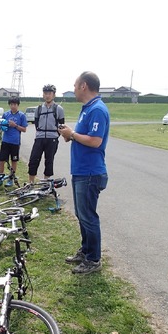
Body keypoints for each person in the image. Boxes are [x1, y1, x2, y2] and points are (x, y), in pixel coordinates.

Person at [59, 72, 110, 275]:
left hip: (90, 172)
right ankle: (86, 250)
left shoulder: (97, 109)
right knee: (81, 214)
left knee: (88, 216)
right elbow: (84, 137)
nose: (73, 89)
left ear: (84, 86)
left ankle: (93, 259)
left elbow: (95, 141)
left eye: (75, 85)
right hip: (81, 171)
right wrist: (70, 135)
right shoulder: (87, 109)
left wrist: (71, 134)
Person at [27, 84, 65, 183]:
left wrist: (55, 135)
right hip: (39, 137)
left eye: (50, 93)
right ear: (43, 95)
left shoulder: (58, 109)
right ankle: (31, 183)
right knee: (33, 160)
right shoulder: (38, 109)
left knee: (49, 161)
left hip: (52, 138)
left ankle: (46, 183)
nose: (47, 95)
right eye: (45, 93)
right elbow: (36, 123)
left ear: (54, 95)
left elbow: (61, 125)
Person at [0, 97, 28, 187]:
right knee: (1, 160)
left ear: (18, 105)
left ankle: (11, 179)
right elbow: (1, 124)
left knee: (14, 161)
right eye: (11, 104)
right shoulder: (6, 114)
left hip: (15, 142)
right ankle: (0, 178)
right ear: (9, 105)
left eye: (15, 104)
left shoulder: (21, 115)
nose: (13, 106)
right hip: (5, 141)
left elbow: (24, 129)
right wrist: (1, 126)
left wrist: (15, 125)